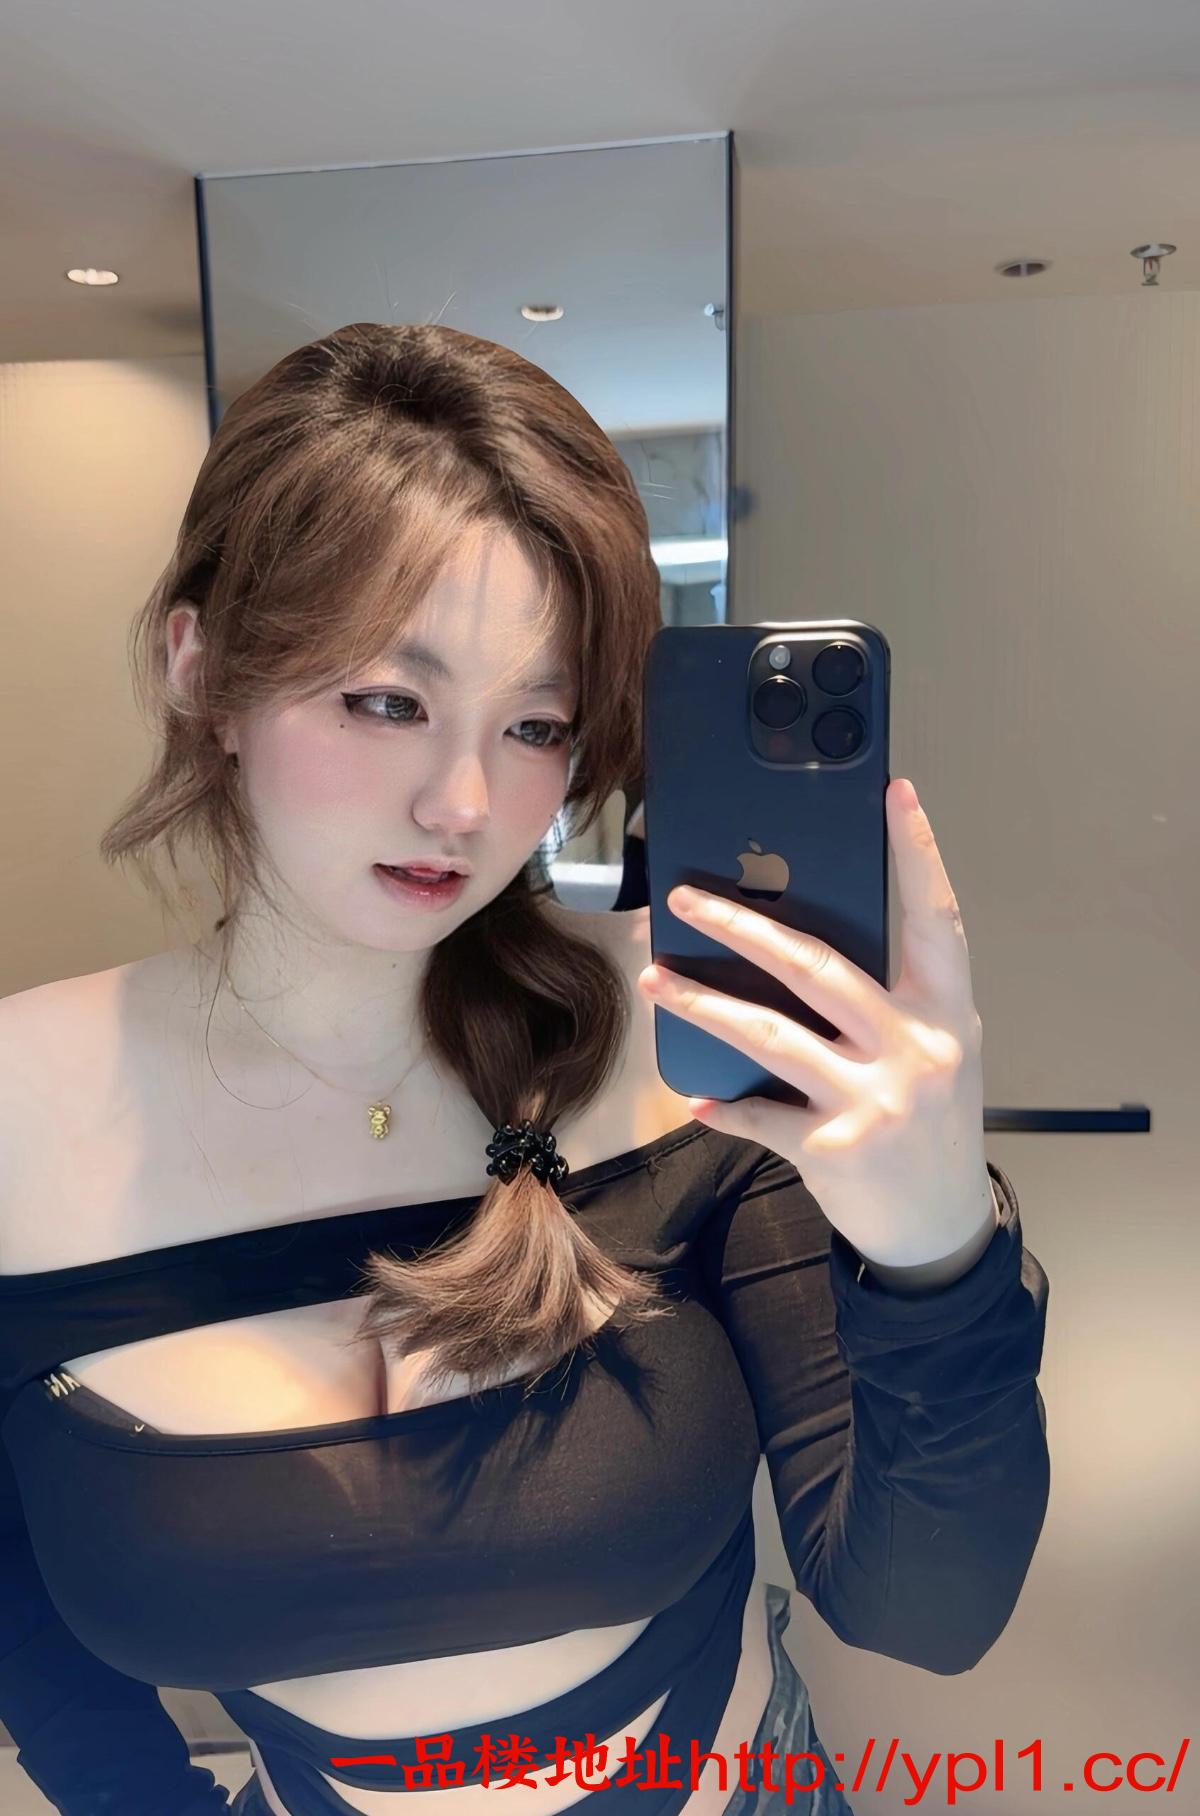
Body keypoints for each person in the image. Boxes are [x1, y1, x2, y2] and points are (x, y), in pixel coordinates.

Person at [0, 322, 1050, 1816]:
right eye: (387, 698)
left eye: (537, 723)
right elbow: (30, 1631)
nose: (467, 801)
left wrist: (937, 1250)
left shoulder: (682, 1040)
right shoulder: (21, 1123)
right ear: (205, 669)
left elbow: (926, 1608)